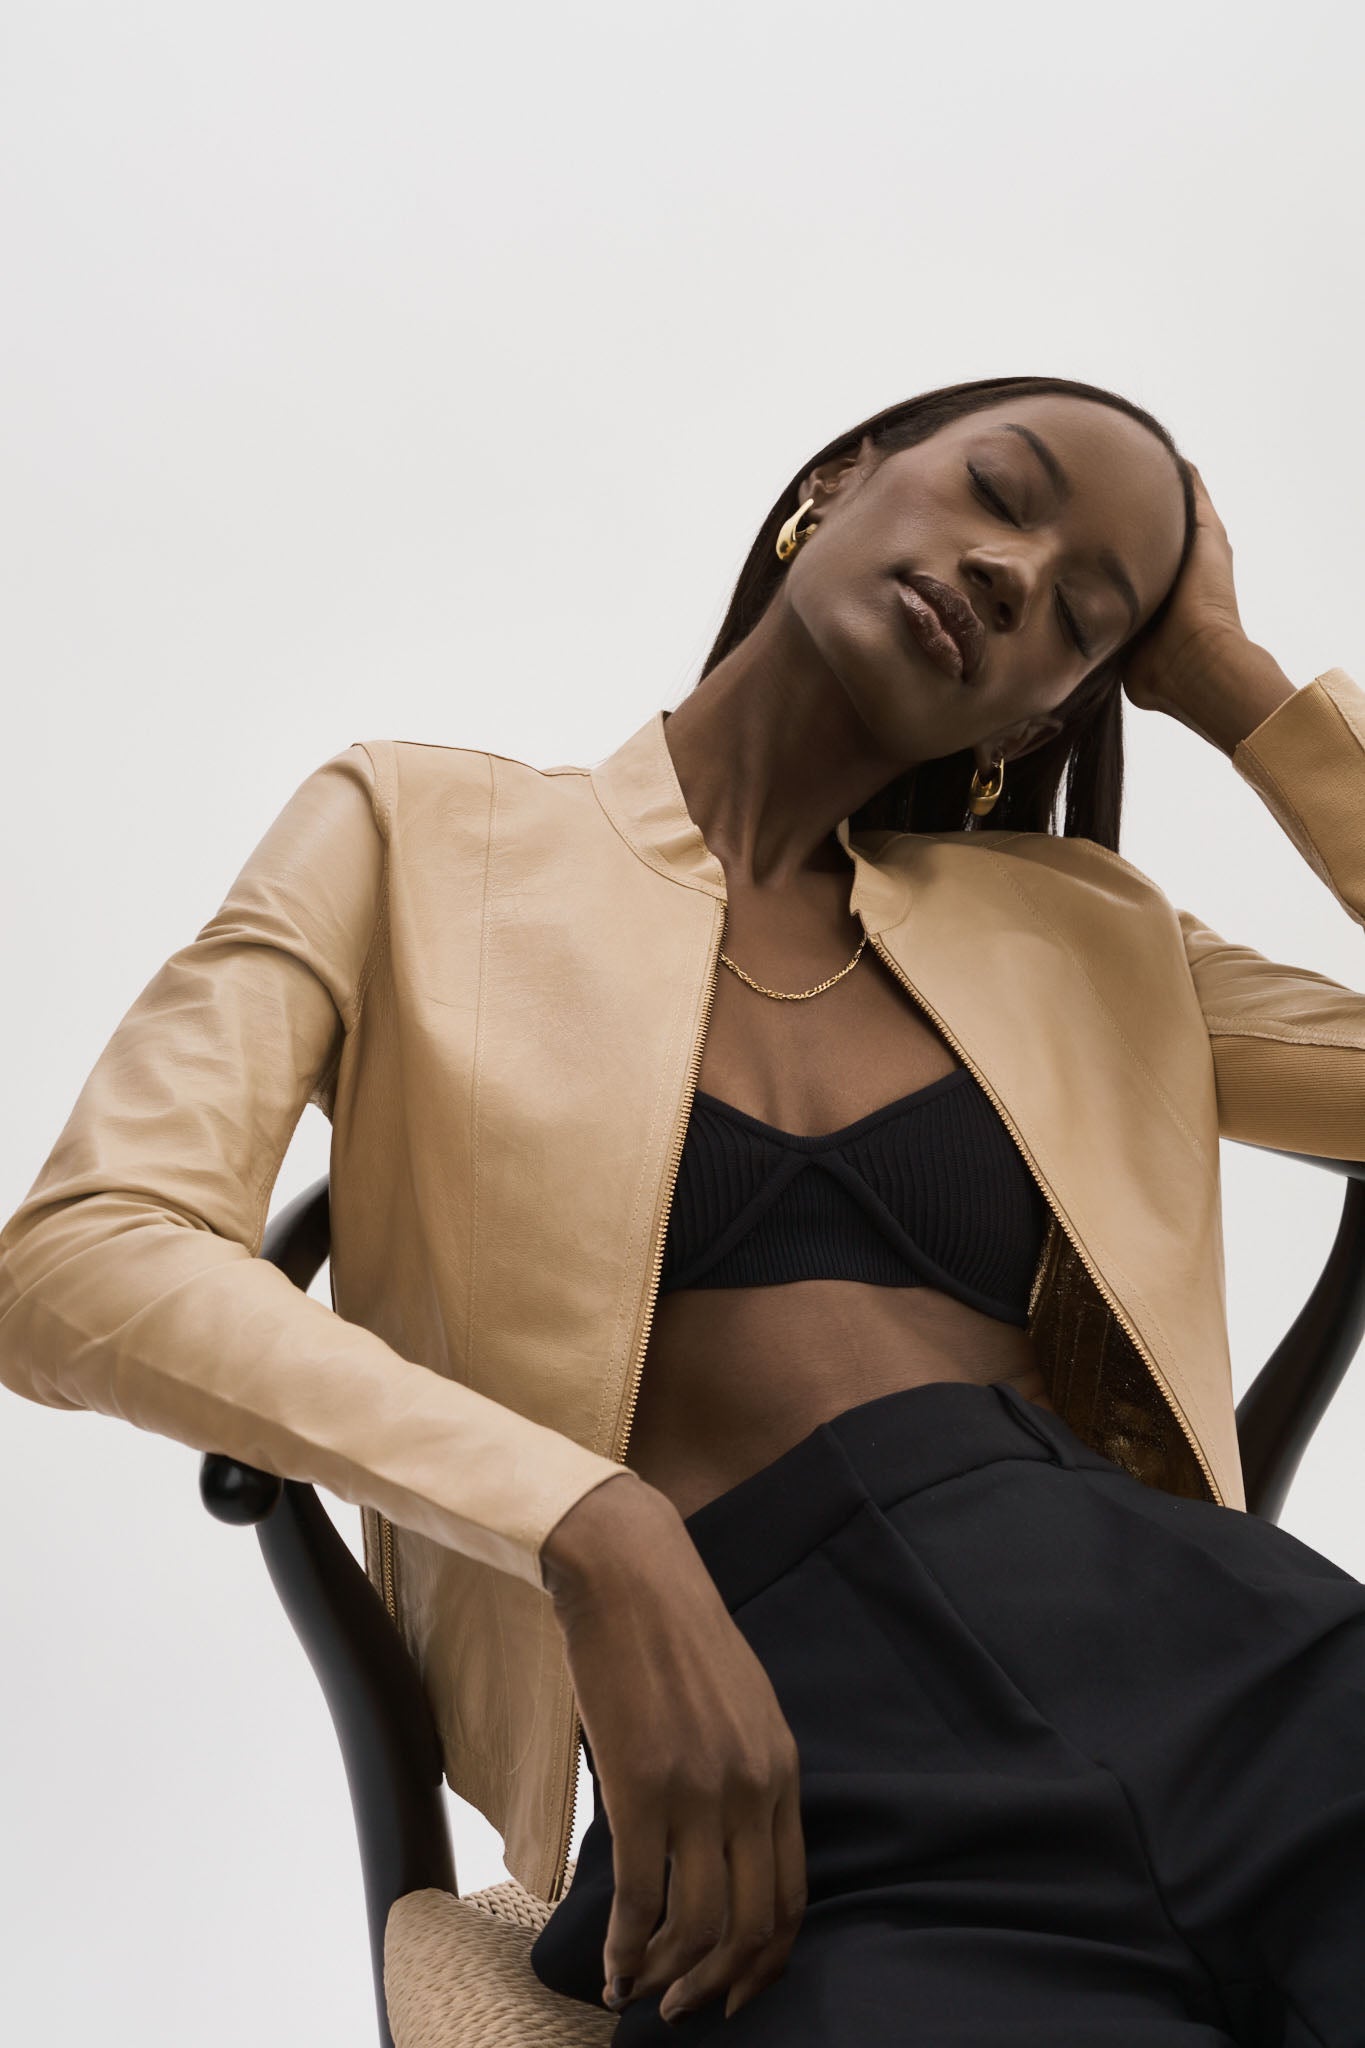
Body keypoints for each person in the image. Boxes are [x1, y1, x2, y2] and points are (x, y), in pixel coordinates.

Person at [3, 373, 1364, 2045]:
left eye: (1083, 618)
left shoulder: (1091, 936)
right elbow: (81, 1257)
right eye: (999, 492)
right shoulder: (418, 834)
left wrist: (1234, 688)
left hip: (1237, 1673)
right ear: (836, 482)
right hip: (779, 1790)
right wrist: (590, 1524)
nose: (1015, 574)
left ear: (1035, 721)